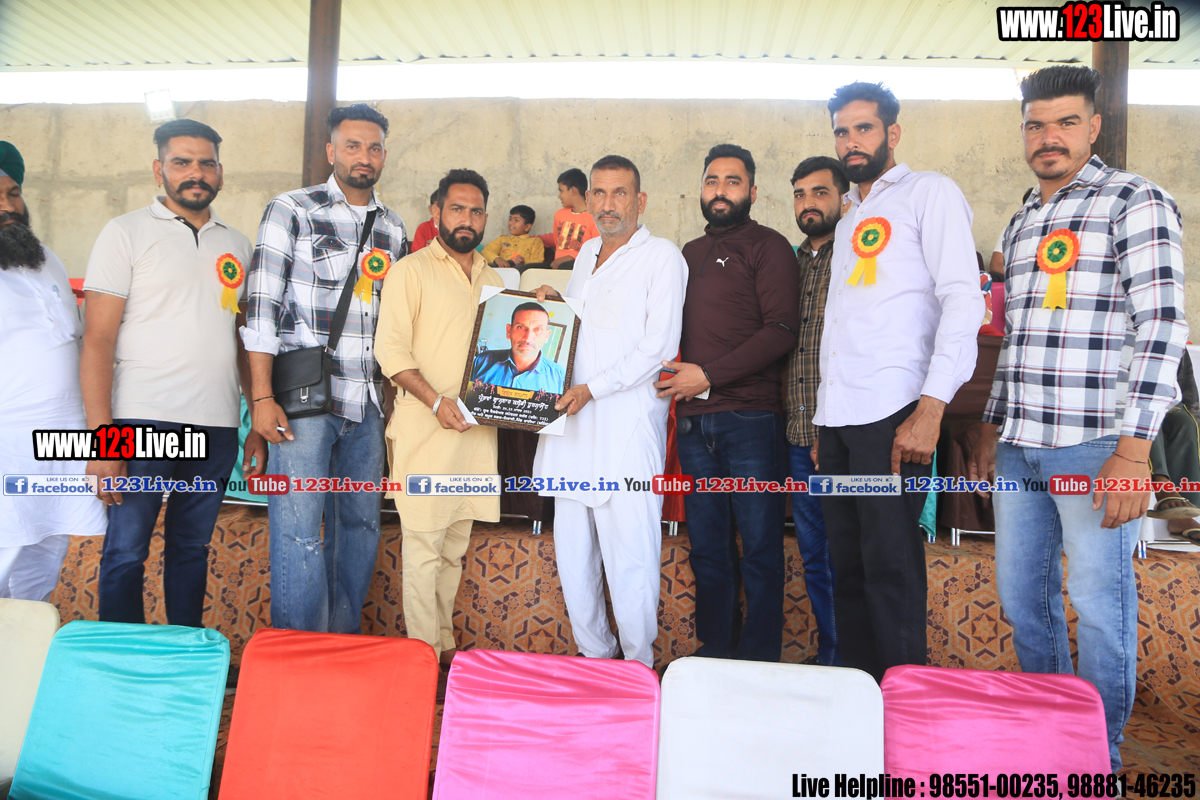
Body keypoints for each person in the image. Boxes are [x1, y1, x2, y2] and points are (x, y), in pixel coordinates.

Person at [968, 65, 1186, 771]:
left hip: (1097, 444)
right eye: (1035, 125)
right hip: (1021, 444)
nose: (1048, 137)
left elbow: (1163, 326)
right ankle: (1051, 736)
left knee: (1098, 601)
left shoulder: (1134, 199)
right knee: (1021, 599)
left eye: (1065, 122)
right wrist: (992, 424)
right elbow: (1019, 336)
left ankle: (1097, 757)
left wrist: (1135, 451)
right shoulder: (1021, 220)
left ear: (1093, 126)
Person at [816, 82, 982, 682]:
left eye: (863, 128)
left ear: (893, 132)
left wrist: (931, 408)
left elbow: (963, 299)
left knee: (889, 565)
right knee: (846, 564)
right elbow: (842, 326)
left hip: (894, 414)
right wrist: (825, 421)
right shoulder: (849, 218)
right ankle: (862, 696)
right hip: (839, 422)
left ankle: (904, 702)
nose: (851, 142)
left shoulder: (929, 193)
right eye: (842, 131)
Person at [81, 120, 263, 626]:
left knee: (191, 547)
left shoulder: (237, 244)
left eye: (206, 163)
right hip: (142, 421)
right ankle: (122, 654)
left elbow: (243, 341)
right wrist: (101, 441)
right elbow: (97, 340)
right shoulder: (125, 232)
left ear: (220, 172)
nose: (195, 173)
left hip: (217, 424)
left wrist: (253, 421)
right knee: (126, 550)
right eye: (182, 162)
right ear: (158, 169)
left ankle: (183, 652)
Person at [243, 104, 407, 633]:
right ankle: (297, 655)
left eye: (374, 147)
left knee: (360, 525)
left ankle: (341, 642)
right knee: (299, 529)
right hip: (306, 402)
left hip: (368, 404)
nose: (364, 157)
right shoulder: (291, 209)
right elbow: (260, 309)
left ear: (384, 156)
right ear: (332, 151)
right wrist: (261, 399)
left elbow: (398, 322)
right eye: (353, 146)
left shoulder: (393, 228)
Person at [533, 155, 688, 669]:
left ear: (639, 200)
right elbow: (581, 330)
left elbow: (656, 348)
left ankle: (639, 667)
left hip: (625, 431)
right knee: (573, 552)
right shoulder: (585, 255)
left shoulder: (662, 257)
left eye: (619, 193)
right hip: (571, 428)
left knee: (631, 558)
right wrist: (553, 304)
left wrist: (592, 390)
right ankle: (595, 658)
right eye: (598, 193)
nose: (607, 204)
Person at [657, 144, 798, 663]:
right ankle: (715, 652)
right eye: (712, 181)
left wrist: (709, 375)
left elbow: (781, 330)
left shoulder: (769, 246)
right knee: (708, 548)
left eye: (732, 181)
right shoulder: (686, 253)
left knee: (759, 546)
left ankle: (759, 660)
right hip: (695, 423)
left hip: (751, 420)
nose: (720, 190)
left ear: (752, 192)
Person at [375, 169, 502, 673]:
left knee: (453, 549)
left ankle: (444, 645)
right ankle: (423, 658)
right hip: (425, 432)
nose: (466, 219)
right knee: (424, 549)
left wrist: (540, 305)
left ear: (485, 218)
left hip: (475, 436)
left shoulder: (495, 281)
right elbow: (390, 352)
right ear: (436, 212)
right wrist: (433, 401)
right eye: (457, 209)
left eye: (476, 211)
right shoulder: (410, 271)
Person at [0, 141, 107, 600]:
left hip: (64, 444)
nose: (8, 207)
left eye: (13, 193)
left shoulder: (45, 257)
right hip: (8, 445)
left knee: (45, 558)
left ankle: (28, 644)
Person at [782, 155, 849, 666]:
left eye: (820, 192)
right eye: (801, 194)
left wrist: (831, 427)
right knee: (815, 555)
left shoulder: (860, 255)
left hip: (844, 434)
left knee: (851, 553)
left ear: (844, 198)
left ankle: (858, 660)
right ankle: (831, 656)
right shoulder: (791, 262)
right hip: (796, 433)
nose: (809, 203)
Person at [471, 302, 566, 393]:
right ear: (509, 331)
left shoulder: (560, 376)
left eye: (538, 329)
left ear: (547, 336)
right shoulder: (481, 362)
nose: (528, 338)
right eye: (520, 327)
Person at [550, 168, 599, 269]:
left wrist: (572, 257)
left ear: (573, 190)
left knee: (565, 266)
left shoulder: (594, 218)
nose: (559, 196)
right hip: (556, 267)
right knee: (525, 270)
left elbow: (597, 250)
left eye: (561, 191)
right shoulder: (559, 215)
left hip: (579, 267)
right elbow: (557, 243)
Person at [481, 205, 545, 270]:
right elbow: (485, 252)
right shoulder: (502, 239)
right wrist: (496, 258)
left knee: (519, 268)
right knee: (485, 267)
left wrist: (524, 261)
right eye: (510, 219)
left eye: (516, 220)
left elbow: (538, 261)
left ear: (527, 227)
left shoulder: (535, 242)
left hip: (521, 271)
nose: (510, 222)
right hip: (502, 270)